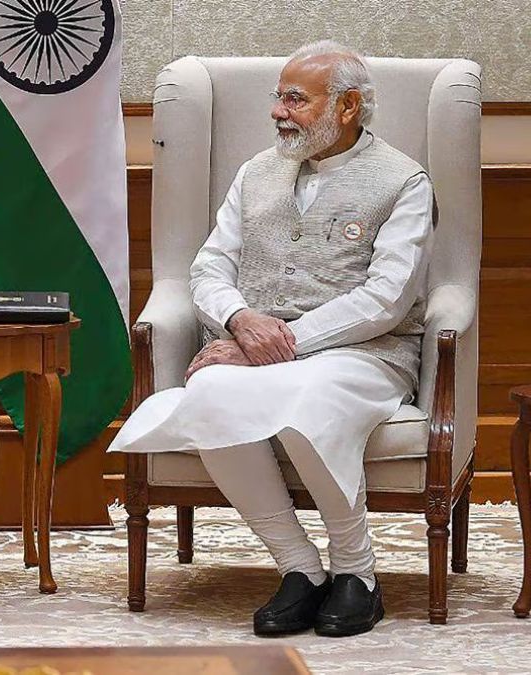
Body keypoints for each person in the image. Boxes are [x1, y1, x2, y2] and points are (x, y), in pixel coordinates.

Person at [108, 40, 434, 638]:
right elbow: (209, 268)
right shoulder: (255, 172)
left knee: (308, 402)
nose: (278, 112)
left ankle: (356, 573)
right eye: (278, 97)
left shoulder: (403, 180)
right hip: (253, 346)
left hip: (365, 354)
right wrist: (240, 321)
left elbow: (386, 300)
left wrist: (281, 342)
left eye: (295, 99)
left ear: (347, 107)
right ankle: (298, 567)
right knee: (209, 393)